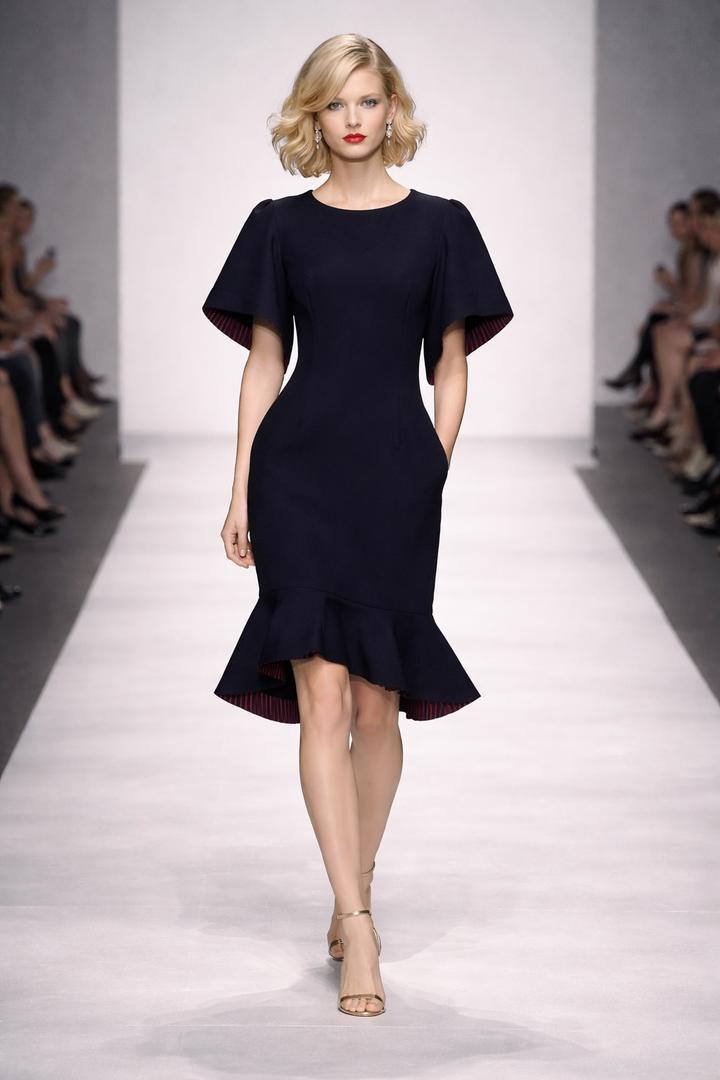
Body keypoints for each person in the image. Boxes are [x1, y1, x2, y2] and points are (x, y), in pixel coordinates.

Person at [202, 33, 513, 1019]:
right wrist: (242, 488)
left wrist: (434, 465)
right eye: (336, 102)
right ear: (314, 112)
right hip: (297, 475)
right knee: (323, 697)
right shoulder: (278, 226)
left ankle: (356, 880)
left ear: (392, 109)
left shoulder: (442, 225)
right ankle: (358, 920)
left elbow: (451, 362)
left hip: (394, 478)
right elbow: (263, 361)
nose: (352, 118)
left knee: (379, 706)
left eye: (369, 100)